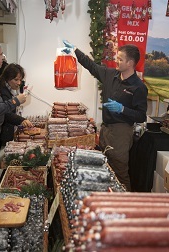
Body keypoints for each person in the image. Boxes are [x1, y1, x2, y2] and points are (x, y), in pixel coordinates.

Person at [63, 40, 148, 191]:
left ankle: (125, 205)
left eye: (120, 59)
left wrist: (122, 109)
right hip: (106, 130)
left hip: (121, 133)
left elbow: (141, 116)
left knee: (120, 173)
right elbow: (92, 66)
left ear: (130, 63)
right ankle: (108, 203)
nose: (116, 61)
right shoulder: (110, 75)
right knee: (105, 168)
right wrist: (76, 50)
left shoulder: (139, 87)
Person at [0, 40, 27, 186]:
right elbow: (1, 110)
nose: (3, 57)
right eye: (0, 54)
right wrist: (15, 102)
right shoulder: (1, 87)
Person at [0, 63, 33, 147]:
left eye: (20, 80)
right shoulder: (1, 90)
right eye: (16, 79)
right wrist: (21, 120)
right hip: (2, 133)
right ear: (7, 78)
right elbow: (5, 113)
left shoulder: (11, 89)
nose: (19, 83)